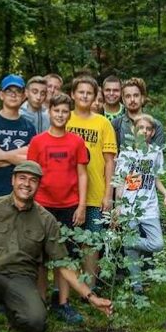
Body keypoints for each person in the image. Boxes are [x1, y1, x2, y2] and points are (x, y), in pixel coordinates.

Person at [0, 161, 113, 332]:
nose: (26, 184)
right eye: (22, 178)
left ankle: (15, 312)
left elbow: (63, 263)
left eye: (33, 180)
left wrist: (91, 297)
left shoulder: (46, 220)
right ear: (12, 180)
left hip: (21, 280)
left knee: (36, 323)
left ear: (38, 185)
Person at [27, 92, 89, 323]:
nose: (60, 115)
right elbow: (31, 174)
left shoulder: (76, 142)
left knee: (66, 258)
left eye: (65, 111)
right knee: (41, 257)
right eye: (56, 111)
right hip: (42, 206)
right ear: (49, 112)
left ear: (69, 114)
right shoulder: (38, 141)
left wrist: (81, 205)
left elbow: (82, 174)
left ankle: (63, 303)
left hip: (69, 206)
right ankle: (41, 301)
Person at [113, 115, 166, 293]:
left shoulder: (155, 152)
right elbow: (120, 181)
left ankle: (127, 241)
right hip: (129, 207)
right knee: (132, 253)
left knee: (157, 244)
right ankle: (136, 285)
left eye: (148, 129)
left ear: (152, 132)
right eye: (141, 128)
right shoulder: (126, 153)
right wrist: (117, 206)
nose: (144, 131)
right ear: (134, 130)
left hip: (149, 207)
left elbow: (156, 179)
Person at [66, 75, 118, 279]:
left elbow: (109, 162)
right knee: (70, 240)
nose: (85, 96)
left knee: (93, 240)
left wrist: (108, 194)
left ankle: (90, 287)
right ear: (73, 94)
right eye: (81, 92)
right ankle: (69, 285)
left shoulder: (103, 123)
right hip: (68, 193)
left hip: (95, 192)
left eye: (89, 93)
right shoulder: (65, 118)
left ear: (95, 96)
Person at [0, 75, 37, 198]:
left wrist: (1, 155)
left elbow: (31, 161)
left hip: (23, 191)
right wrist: (21, 154)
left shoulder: (29, 126)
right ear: (2, 95)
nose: (14, 95)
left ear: (24, 96)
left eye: (18, 91)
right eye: (9, 91)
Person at [112, 77, 166, 149]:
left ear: (142, 98)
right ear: (123, 100)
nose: (132, 100)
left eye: (136, 95)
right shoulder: (116, 125)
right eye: (128, 96)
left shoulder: (155, 125)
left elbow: (159, 155)